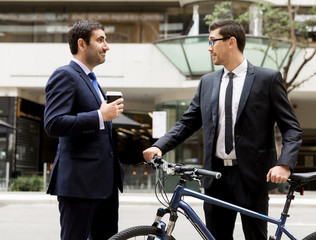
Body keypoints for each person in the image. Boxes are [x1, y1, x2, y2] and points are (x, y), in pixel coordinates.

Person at [143, 20, 302, 240]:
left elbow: (291, 128)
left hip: (252, 176)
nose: (209, 48)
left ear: (231, 42)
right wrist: (159, 145)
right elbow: (188, 122)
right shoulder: (207, 82)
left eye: (212, 41)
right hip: (215, 176)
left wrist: (284, 164)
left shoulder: (267, 79)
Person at [44, 20, 124, 240]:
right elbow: (53, 123)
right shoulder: (65, 75)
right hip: (79, 185)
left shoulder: (93, 81)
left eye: (105, 40)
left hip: (104, 185)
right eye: (100, 40)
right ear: (82, 44)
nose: (106, 46)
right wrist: (100, 116)